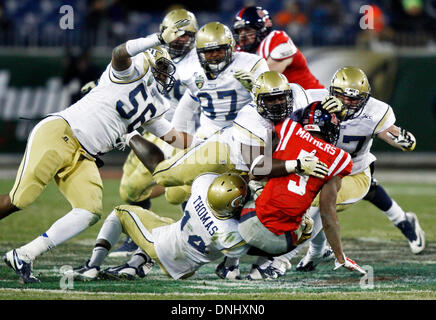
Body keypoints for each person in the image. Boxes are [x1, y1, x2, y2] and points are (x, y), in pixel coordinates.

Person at [1, 23, 193, 284]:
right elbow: (119, 53)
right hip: (60, 134)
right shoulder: (129, 72)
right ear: (148, 65)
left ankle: (24, 255)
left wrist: (217, 143)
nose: (164, 76)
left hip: (85, 156)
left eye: (167, 71)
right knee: (19, 200)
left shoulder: (158, 105)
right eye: (160, 69)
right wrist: (156, 39)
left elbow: (177, 138)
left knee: (89, 211)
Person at [293, 66, 425, 272]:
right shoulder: (313, 99)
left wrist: (403, 139)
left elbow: (393, 135)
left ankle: (315, 252)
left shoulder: (375, 111)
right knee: (315, 197)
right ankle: (317, 251)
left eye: (354, 99)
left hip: (354, 171)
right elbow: (289, 123)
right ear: (331, 92)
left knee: (321, 200)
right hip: (322, 167)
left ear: (365, 98)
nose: (347, 102)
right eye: (342, 96)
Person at [231, 101, 366, 280]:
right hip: (283, 242)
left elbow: (258, 171)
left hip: (247, 224)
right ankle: (269, 263)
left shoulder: (288, 128)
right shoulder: (340, 159)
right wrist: (340, 257)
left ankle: (229, 262)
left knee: (238, 187)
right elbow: (327, 214)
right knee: (308, 223)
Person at [109, 8, 199, 259]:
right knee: (129, 190)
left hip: (181, 132)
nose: (181, 39)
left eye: (187, 35)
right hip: (152, 126)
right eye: (177, 34)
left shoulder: (200, 61)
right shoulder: (150, 53)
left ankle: (196, 235)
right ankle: (137, 234)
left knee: (177, 190)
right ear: (164, 33)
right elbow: (128, 73)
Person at [71, 172, 251, 281]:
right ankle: (134, 265)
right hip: (186, 269)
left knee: (119, 212)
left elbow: (200, 178)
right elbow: (240, 245)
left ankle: (92, 266)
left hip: (163, 248)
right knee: (165, 223)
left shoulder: (203, 186)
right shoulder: (233, 231)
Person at [232, 5, 324, 90]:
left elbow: (266, 78)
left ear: (262, 29)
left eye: (247, 30)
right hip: (281, 102)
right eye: (239, 31)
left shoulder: (277, 39)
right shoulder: (241, 51)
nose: (242, 36)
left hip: (310, 99)